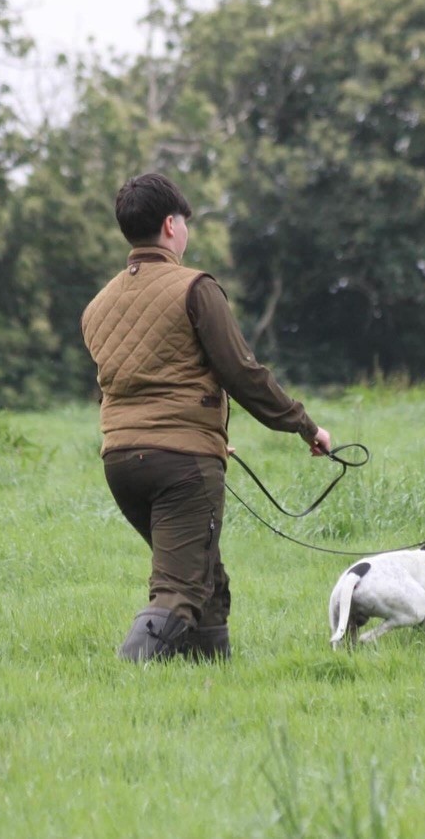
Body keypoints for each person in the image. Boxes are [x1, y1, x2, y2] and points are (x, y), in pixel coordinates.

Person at [81, 173, 331, 663]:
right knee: (177, 589)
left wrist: (210, 437)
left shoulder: (98, 306)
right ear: (172, 225)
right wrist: (306, 426)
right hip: (181, 466)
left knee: (205, 577)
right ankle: (123, 675)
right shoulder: (194, 287)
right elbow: (241, 372)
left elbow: (120, 385)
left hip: (121, 461)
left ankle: (211, 680)